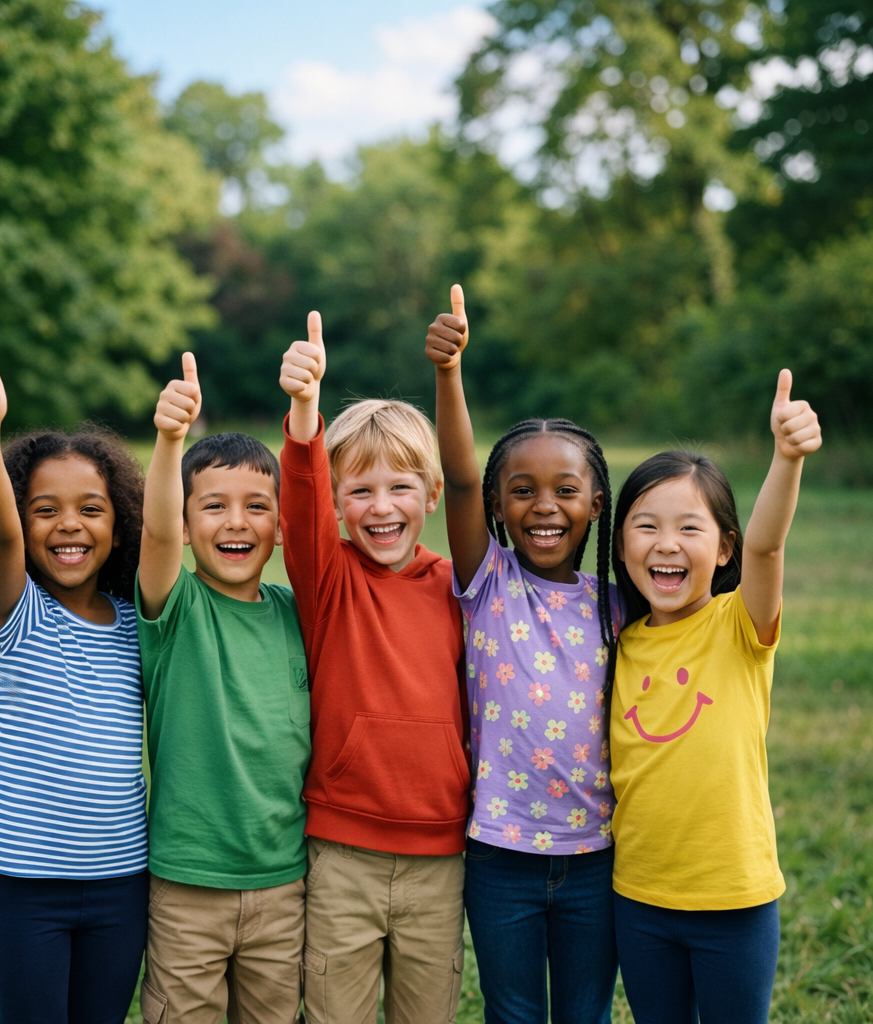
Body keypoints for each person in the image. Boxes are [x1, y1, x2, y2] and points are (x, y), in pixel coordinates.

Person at [426, 285, 620, 1024]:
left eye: (565, 489)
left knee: (585, 1015)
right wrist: (451, 374)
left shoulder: (617, 602)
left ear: (596, 503)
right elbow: (462, 476)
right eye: (522, 490)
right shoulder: (487, 583)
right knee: (511, 1015)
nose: (544, 505)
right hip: (499, 855)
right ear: (499, 508)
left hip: (597, 858)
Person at [609, 370, 822, 1024]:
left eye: (690, 529)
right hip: (638, 899)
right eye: (645, 525)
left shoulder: (739, 624)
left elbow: (768, 543)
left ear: (725, 544)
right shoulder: (616, 637)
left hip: (735, 902)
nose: (666, 544)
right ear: (620, 543)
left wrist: (787, 459)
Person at [279, 313, 469, 1024]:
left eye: (399, 488)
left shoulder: (457, 587)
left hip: (439, 855)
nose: (380, 507)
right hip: (341, 856)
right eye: (359, 492)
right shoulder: (329, 582)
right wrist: (305, 409)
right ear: (338, 505)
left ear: (430, 495)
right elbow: (298, 503)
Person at [0, 351, 149, 1024]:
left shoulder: (134, 623)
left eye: (91, 508)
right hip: (24, 887)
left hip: (123, 883)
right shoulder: (18, 612)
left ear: (120, 520)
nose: (69, 525)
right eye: (45, 509)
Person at [136, 353, 311, 1024]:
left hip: (283, 881)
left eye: (256, 508)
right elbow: (152, 533)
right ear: (185, 525)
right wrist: (170, 441)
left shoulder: (298, 615)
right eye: (213, 506)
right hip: (187, 886)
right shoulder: (174, 608)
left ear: (279, 524)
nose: (236, 522)